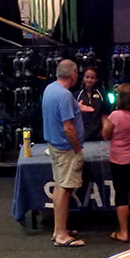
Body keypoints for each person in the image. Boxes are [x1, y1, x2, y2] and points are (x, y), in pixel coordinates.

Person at [41, 59, 87, 247]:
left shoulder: (50, 89)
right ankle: (61, 235)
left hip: (54, 146)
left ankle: (58, 229)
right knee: (65, 189)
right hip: (66, 150)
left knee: (60, 187)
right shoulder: (65, 95)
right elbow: (68, 127)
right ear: (73, 74)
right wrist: (77, 150)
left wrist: (77, 108)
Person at [101, 84, 130, 242]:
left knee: (121, 195)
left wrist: (104, 120)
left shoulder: (115, 116)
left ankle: (123, 232)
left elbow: (106, 135)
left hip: (120, 160)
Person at [74, 66, 107, 141]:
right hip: (82, 136)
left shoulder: (102, 94)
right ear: (83, 78)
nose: (89, 80)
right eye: (87, 77)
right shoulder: (77, 95)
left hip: (98, 137)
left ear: (96, 79)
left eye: (92, 78)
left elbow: (106, 115)